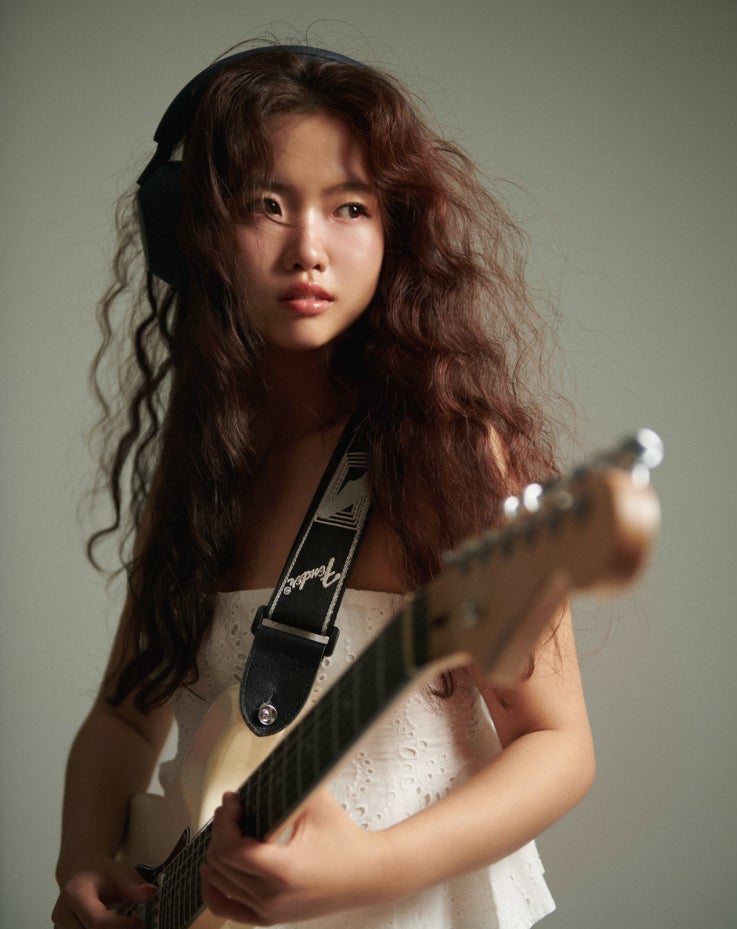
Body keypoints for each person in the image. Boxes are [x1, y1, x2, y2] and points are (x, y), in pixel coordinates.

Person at [52, 44, 595, 929]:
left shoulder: (450, 460)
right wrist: (83, 860)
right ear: (193, 231)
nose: (307, 249)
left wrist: (372, 867)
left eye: (349, 207)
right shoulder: (202, 477)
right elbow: (122, 717)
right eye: (265, 206)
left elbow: (557, 742)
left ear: (394, 234)